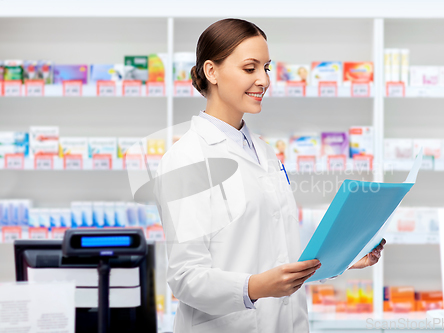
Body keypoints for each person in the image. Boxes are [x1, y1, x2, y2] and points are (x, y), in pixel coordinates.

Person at [155, 18, 385, 333]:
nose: (263, 80)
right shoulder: (187, 160)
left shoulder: (264, 152)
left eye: (266, 68)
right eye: (250, 68)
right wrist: (255, 287)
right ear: (212, 71)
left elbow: (275, 241)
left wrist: (340, 257)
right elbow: (186, 278)